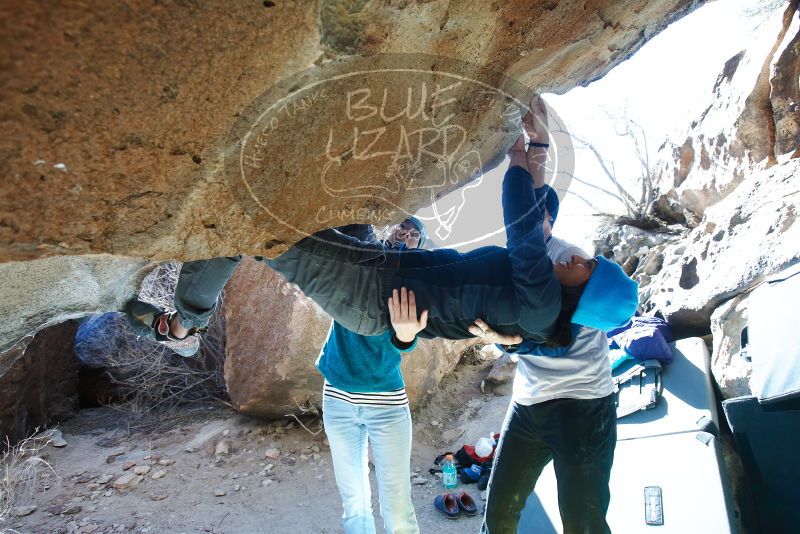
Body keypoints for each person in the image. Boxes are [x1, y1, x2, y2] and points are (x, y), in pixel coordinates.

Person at [125, 96, 637, 359]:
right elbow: (543, 231)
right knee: (290, 214)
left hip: (368, 295)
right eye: (591, 258)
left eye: (588, 270)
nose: (579, 259)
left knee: (252, 228)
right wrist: (540, 152)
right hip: (381, 270)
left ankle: (185, 326)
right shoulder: (545, 304)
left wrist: (521, 156)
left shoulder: (543, 304)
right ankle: (185, 318)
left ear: (583, 295)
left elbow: (526, 234)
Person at [472, 98, 618, 534]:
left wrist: (536, 150)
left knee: (583, 520)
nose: (531, 218)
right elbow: (507, 333)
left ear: (549, 218)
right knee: (498, 515)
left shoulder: (572, 259)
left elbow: (561, 331)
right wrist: (502, 339)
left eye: (540, 212)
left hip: (582, 403)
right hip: (529, 404)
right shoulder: (511, 260)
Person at [319, 220, 427, 534]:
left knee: (397, 509)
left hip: (386, 404)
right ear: (388, 231)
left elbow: (408, 338)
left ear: (416, 250)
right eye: (403, 227)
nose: (406, 234)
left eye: (414, 235)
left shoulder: (411, 282)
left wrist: (407, 337)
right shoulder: (358, 262)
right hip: (338, 397)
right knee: (354, 502)